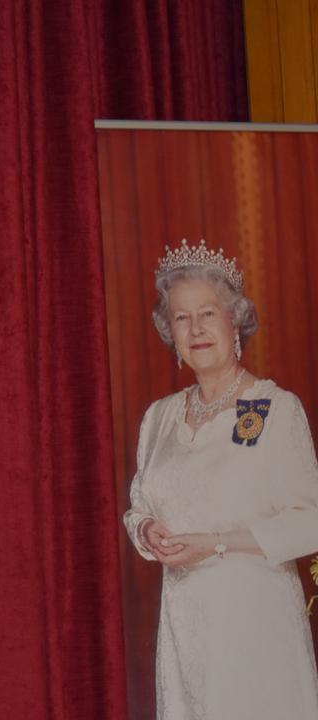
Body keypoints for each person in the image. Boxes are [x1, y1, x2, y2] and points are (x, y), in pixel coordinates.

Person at [123, 239, 318, 719]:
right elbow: (138, 507)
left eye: (208, 313)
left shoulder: (271, 407)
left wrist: (215, 544)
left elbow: (310, 521)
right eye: (182, 318)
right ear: (170, 331)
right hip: (184, 627)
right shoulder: (159, 418)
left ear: (235, 321)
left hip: (253, 622)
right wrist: (147, 531)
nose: (196, 328)